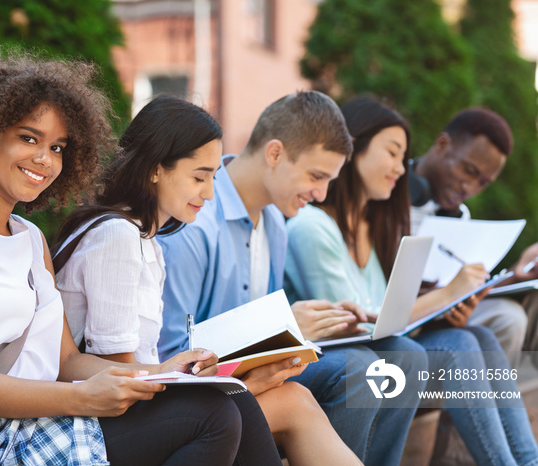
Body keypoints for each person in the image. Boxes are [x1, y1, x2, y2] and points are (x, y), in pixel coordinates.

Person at [0, 47, 276, 465]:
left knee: (228, 400)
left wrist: (167, 374)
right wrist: (78, 398)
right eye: (29, 138)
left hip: (34, 419)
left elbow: (68, 360)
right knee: (212, 418)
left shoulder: (27, 238)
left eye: (57, 147)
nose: (45, 159)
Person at [52, 95, 361, 466]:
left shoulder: (146, 240)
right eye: (199, 177)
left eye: (213, 177)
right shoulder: (118, 236)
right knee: (232, 409)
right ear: (155, 168)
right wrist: (235, 380)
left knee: (247, 402)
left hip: (135, 401)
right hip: (97, 419)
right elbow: (121, 375)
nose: (210, 192)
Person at [157, 91, 428, 466]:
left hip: (248, 378)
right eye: (317, 176)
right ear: (275, 154)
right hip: (198, 397)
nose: (321, 194)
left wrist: (313, 325)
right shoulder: (195, 220)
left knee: (404, 356)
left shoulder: (275, 225)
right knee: (357, 372)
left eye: (329, 181)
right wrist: (277, 327)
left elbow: (257, 344)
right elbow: (171, 356)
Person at [285, 95, 538, 466]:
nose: (401, 168)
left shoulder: (368, 229)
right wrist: (448, 293)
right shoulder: (312, 226)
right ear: (352, 149)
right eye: (392, 153)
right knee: (456, 348)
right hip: (339, 361)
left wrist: (455, 299)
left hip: (384, 352)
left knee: (478, 337)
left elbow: (381, 318)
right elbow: (359, 324)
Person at [409, 108, 529, 367]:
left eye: (483, 182)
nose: (469, 188)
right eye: (469, 170)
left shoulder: (460, 217)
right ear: (442, 144)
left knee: (509, 317)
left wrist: (458, 307)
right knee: (467, 343)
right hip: (395, 323)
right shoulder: (389, 193)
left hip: (431, 323)